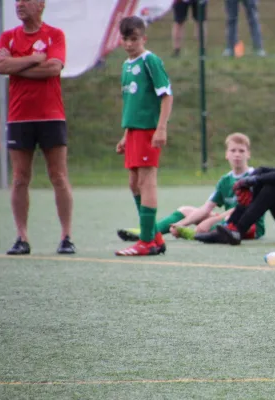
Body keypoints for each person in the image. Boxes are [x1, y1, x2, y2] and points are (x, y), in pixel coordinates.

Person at [0, 0, 75, 255]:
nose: (19, 5)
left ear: (40, 4)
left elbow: (53, 68)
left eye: (25, 0)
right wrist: (33, 59)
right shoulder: (8, 37)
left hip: (51, 116)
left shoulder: (54, 35)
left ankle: (66, 237)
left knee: (59, 177)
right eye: (16, 1)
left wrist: (16, 66)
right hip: (19, 117)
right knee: (20, 178)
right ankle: (22, 237)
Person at [117, 133, 263, 242]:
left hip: (250, 226)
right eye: (233, 151)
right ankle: (149, 231)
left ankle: (193, 234)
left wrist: (211, 220)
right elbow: (206, 208)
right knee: (186, 210)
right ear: (226, 154)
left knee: (208, 224)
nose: (237, 155)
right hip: (226, 221)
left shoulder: (254, 177)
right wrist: (180, 223)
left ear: (248, 154)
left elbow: (244, 209)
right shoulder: (225, 180)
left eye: (241, 151)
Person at [114, 16, 173, 256]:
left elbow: (166, 95)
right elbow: (133, 104)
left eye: (134, 39)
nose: (129, 44)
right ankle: (156, 238)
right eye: (126, 39)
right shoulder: (126, 66)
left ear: (143, 38)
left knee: (147, 182)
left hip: (149, 131)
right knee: (134, 183)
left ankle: (146, 241)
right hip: (134, 132)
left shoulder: (150, 60)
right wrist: (125, 135)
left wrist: (161, 128)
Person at [214, 144, 275, 245]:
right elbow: (262, 170)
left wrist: (253, 180)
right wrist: (247, 184)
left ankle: (239, 230)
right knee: (269, 181)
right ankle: (231, 226)